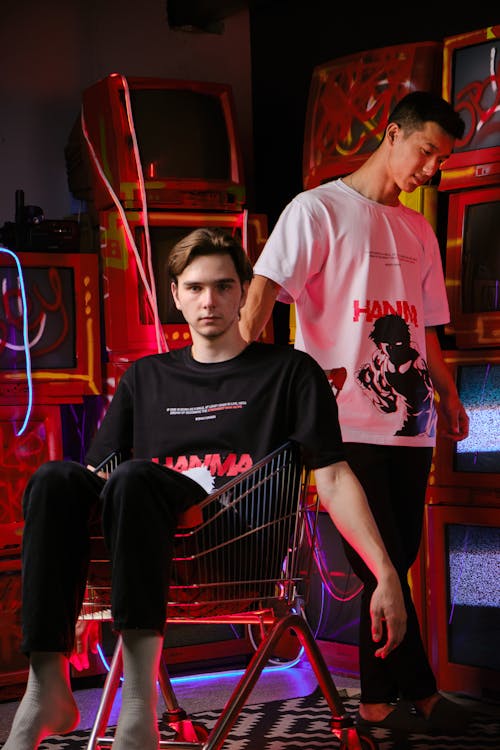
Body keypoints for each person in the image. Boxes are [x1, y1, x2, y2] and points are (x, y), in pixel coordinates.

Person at [4, 228, 406, 750]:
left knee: (133, 478)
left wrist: (385, 572)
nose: (208, 301)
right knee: (53, 479)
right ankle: (45, 689)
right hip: (142, 556)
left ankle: (140, 708)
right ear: (175, 295)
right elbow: (94, 481)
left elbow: (332, 475)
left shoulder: (289, 372)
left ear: (243, 291)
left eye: (222, 286)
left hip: (234, 555)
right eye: (194, 288)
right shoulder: (144, 379)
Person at [239, 91, 472, 734]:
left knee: (399, 563)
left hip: (410, 422)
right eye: (426, 152)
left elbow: (427, 331)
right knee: (382, 565)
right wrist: (241, 377)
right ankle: (394, 699)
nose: (431, 170)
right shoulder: (317, 210)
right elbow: (264, 294)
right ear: (391, 134)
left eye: (442, 161)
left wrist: (448, 395)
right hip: (340, 421)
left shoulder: (418, 229)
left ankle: (395, 697)